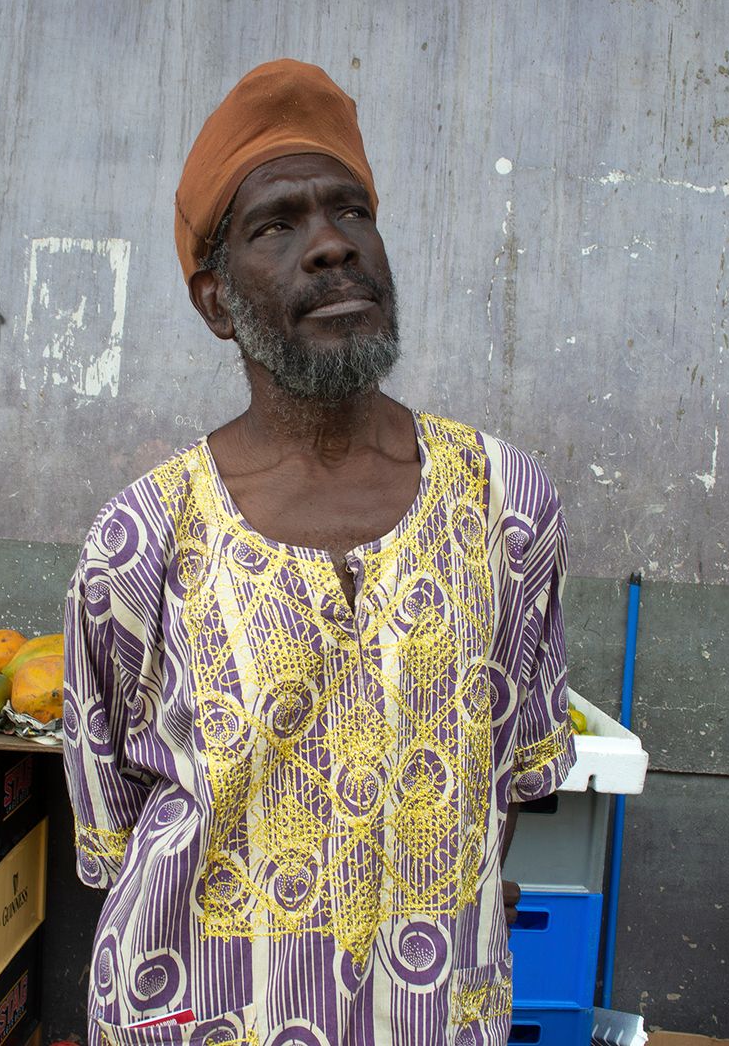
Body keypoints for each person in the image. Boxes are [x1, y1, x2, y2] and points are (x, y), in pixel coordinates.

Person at [62, 59, 576, 1045]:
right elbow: (116, 835)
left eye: (351, 213)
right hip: (203, 1017)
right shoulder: (140, 541)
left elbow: (509, 781)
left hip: (431, 1016)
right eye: (277, 225)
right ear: (218, 303)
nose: (331, 245)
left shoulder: (507, 504)